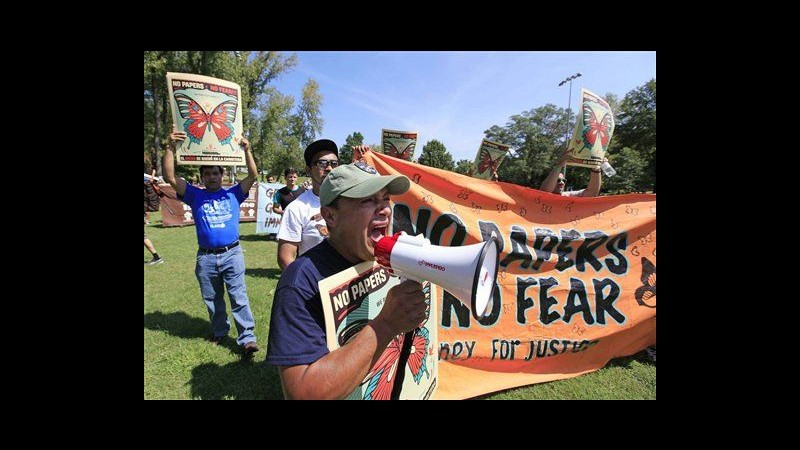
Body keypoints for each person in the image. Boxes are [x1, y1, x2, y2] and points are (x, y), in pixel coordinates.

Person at [266, 160, 427, 399]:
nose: (384, 209)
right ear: (330, 216)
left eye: (385, 199)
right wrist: (386, 325)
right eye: (368, 200)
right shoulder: (301, 281)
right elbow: (303, 393)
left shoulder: (388, 257)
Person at [163, 130, 259, 356]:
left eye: (215, 173)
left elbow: (253, 175)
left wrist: (247, 150)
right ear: (202, 177)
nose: (212, 177)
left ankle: (247, 338)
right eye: (207, 174)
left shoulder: (234, 193)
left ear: (222, 174)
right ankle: (219, 331)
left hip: (232, 254)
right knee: (212, 298)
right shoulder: (195, 195)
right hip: (206, 257)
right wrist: (169, 148)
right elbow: (169, 177)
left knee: (238, 296)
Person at [275, 139, 340, 270]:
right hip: (317, 284)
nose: (329, 168)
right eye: (322, 163)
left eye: (334, 163)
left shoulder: (351, 200)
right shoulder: (297, 208)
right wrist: (306, 285)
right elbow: (285, 257)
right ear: (308, 170)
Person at [539, 150, 604, 197]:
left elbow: (591, 193)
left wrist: (596, 168)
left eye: (564, 180)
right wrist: (559, 165)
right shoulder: (540, 197)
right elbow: (544, 192)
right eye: (558, 180)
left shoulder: (568, 196)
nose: (562, 183)